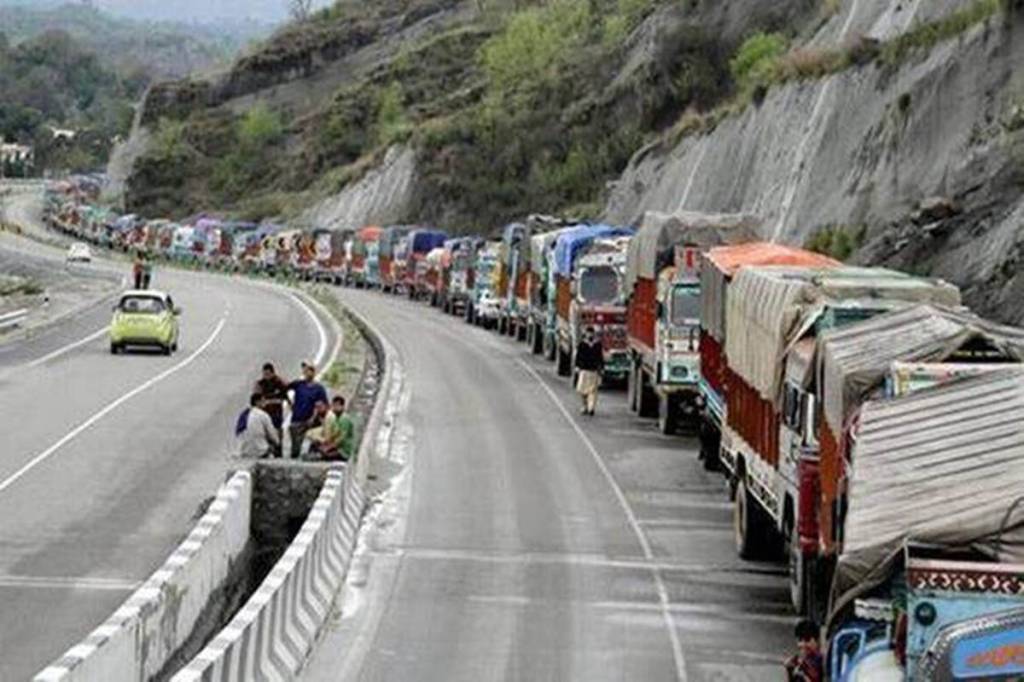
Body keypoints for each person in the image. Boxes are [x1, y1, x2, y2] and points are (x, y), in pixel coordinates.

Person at [287, 361, 328, 459]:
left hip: (311, 422)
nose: (308, 373)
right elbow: (284, 387)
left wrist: (313, 417)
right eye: (306, 371)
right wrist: (289, 403)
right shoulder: (298, 384)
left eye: (310, 371)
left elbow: (322, 405)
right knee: (295, 448)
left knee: (310, 445)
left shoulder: (319, 389)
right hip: (297, 419)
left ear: (314, 373)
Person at [255, 362, 289, 445]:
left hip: (276, 412)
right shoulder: (260, 384)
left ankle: (279, 445)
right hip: (264, 412)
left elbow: (285, 395)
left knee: (277, 430)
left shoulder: (279, 382)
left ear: (273, 373)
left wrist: (289, 403)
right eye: (264, 374)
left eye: (268, 374)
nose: (266, 376)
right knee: (265, 431)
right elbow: (255, 398)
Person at [238, 393, 280, 459]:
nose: (265, 403)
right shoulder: (263, 415)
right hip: (260, 451)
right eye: (263, 401)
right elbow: (273, 436)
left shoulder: (243, 415)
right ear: (257, 402)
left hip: (244, 451)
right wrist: (277, 443)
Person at [574, 326, 604, 416]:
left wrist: (601, 368)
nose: (590, 335)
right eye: (588, 333)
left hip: (593, 371)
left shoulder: (597, 345)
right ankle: (584, 406)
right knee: (582, 390)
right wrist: (577, 366)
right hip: (584, 370)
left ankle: (591, 408)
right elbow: (578, 356)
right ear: (586, 334)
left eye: (591, 333)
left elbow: (600, 357)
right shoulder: (582, 344)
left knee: (593, 391)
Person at [320, 395, 356, 461]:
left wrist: (330, 447)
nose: (334, 408)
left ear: (342, 406)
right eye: (333, 406)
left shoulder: (344, 418)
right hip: (339, 447)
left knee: (326, 456)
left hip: (344, 450)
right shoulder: (337, 418)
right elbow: (336, 433)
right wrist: (327, 443)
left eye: (337, 406)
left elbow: (342, 437)